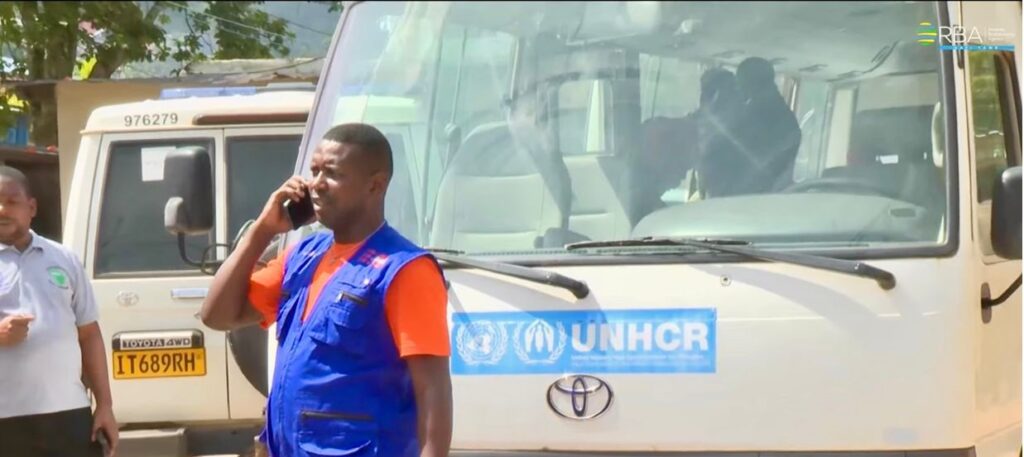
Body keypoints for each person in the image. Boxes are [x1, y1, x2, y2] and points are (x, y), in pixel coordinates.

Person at [200, 123, 453, 457]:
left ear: (375, 185)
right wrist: (262, 230)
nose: (315, 184)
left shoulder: (405, 270)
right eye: (314, 171)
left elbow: (433, 390)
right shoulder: (303, 257)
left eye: (331, 174)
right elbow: (217, 315)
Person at [0, 166, 118, 457]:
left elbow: (89, 335)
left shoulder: (64, 259)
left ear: (31, 207)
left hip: (67, 414)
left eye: (11, 201)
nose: (2, 210)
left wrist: (104, 405)